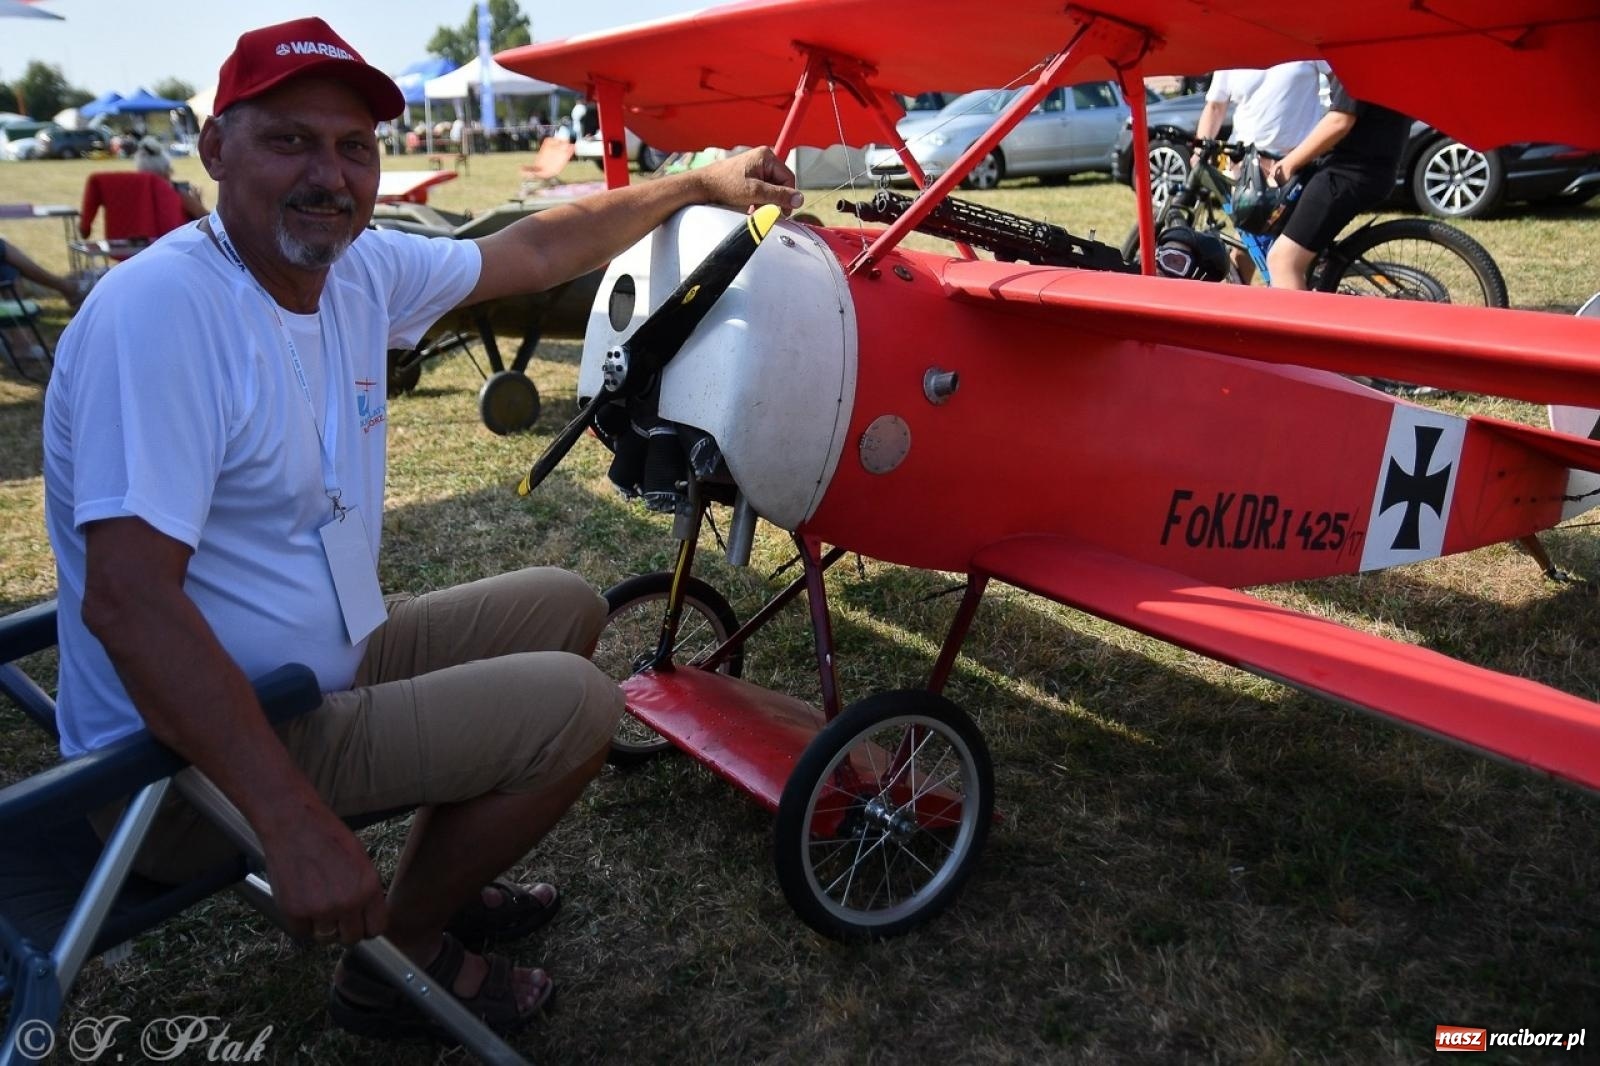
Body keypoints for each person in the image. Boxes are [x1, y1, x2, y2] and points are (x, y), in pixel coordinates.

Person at [42, 15, 803, 1043]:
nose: (330, 174)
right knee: (575, 706)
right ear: (215, 149)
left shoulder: (354, 270)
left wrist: (693, 184)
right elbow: (131, 606)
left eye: (353, 147)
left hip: (316, 667)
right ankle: (392, 964)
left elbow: (532, 246)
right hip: (191, 765)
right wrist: (290, 819)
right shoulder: (162, 315)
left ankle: (434, 890)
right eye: (290, 140)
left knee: (567, 606)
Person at [1265, 71, 1411, 290]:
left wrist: (1288, 164)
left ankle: (1299, 324)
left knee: (1283, 261)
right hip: (1364, 168)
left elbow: (1340, 121)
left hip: (1349, 171)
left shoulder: (1359, 60)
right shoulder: (1376, 55)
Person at [1192, 62, 1324, 280]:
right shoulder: (1234, 49)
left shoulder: (1305, 39)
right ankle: (1241, 308)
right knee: (1248, 246)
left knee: (1288, 250)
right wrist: (1200, 150)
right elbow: (1215, 106)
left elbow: (1341, 84)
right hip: (1245, 169)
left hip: (1295, 166)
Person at [134, 135, 207, 220]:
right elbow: (205, 218)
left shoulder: (138, 198)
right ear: (166, 172)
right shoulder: (180, 194)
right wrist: (198, 203)